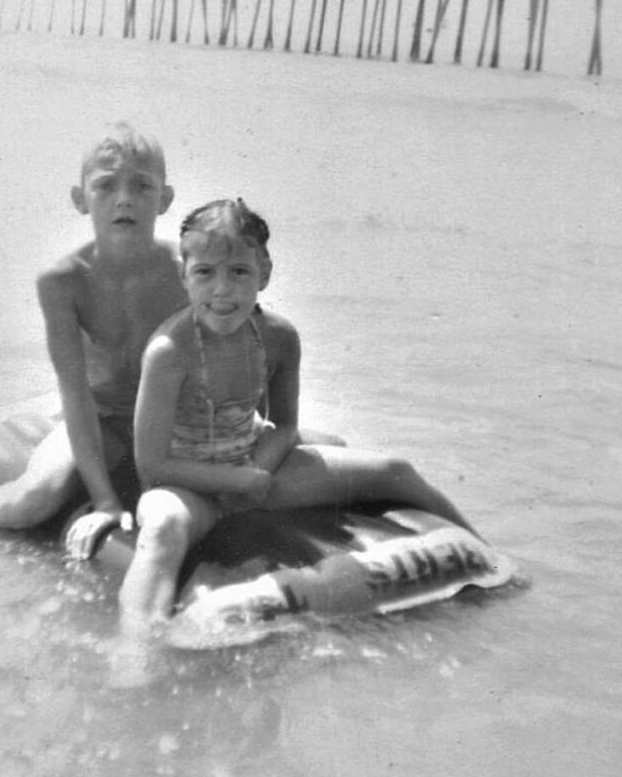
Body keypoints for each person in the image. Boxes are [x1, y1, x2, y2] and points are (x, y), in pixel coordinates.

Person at [118, 198, 478, 640]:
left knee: (395, 470)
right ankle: (134, 655)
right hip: (183, 482)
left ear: (264, 273)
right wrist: (236, 484)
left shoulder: (278, 338)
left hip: (248, 459)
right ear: (184, 277)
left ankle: (488, 560)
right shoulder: (169, 353)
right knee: (163, 530)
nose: (222, 290)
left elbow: (284, 424)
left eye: (239, 272)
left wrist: (258, 471)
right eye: (205, 273)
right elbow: (150, 468)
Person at [0, 122, 187, 543]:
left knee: (319, 445)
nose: (124, 198)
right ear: (79, 199)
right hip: (101, 422)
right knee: (35, 500)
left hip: (177, 425)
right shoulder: (63, 281)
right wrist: (105, 501)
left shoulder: (188, 273)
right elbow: (75, 393)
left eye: (142, 186)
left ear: (165, 199)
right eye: (106, 186)